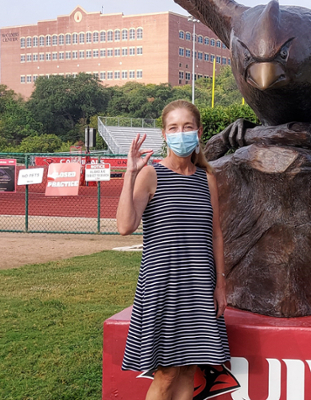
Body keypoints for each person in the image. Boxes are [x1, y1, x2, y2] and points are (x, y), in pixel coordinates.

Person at [117, 100, 230, 400]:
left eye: (187, 127)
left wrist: (220, 284)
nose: (181, 133)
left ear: (199, 132)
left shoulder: (208, 179)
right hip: (163, 285)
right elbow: (125, 226)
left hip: (199, 285)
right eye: (173, 128)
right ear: (165, 135)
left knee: (186, 370)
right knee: (166, 374)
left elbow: (216, 234)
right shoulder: (151, 174)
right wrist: (130, 173)